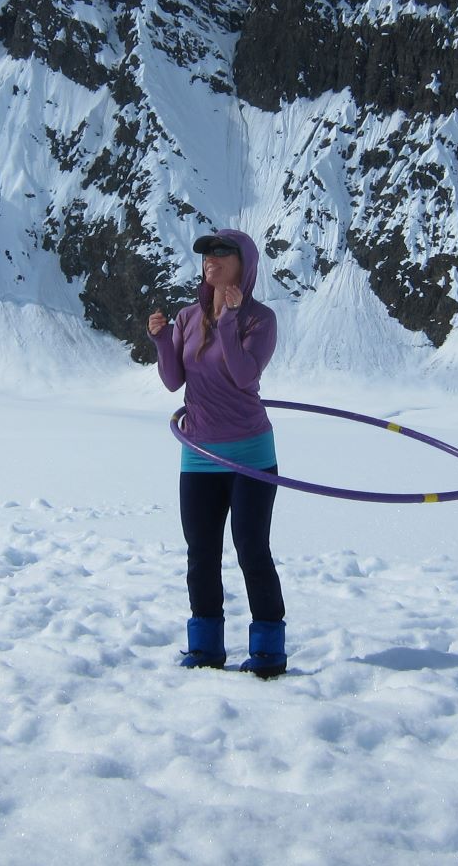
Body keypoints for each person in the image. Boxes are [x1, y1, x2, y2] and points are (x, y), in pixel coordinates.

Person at [148, 228, 286, 678]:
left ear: (244, 264)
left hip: (249, 452)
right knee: (201, 552)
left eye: (223, 252)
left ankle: (268, 650)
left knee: (251, 548)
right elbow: (173, 381)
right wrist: (162, 340)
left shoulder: (259, 319)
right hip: (199, 453)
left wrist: (228, 318)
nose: (212, 258)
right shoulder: (188, 316)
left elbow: (244, 375)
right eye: (207, 252)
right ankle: (205, 647)